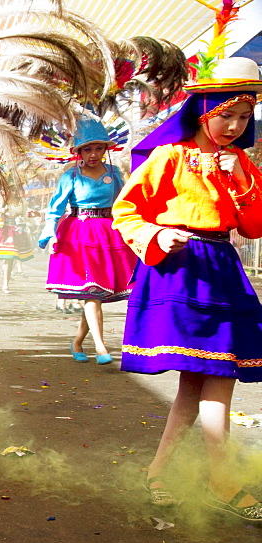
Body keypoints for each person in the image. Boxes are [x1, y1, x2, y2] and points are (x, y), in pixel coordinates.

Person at [112, 57, 262, 519]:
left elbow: (254, 228)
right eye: (226, 115)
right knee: (216, 376)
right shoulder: (168, 157)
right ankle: (221, 479)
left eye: (244, 116)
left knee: (199, 382)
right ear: (203, 109)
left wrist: (241, 181)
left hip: (221, 269)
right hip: (178, 270)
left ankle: (158, 473)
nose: (235, 126)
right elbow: (125, 212)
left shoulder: (241, 163)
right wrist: (157, 235)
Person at [39, 118, 137, 364]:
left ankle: (77, 342)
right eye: (87, 149)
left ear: (106, 149)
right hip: (80, 236)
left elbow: (126, 203)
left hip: (109, 236)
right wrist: (50, 233)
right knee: (92, 293)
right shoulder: (70, 176)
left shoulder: (115, 173)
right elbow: (55, 209)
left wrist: (135, 229)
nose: (93, 154)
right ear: (79, 151)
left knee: (96, 293)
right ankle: (102, 348)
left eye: (98, 148)